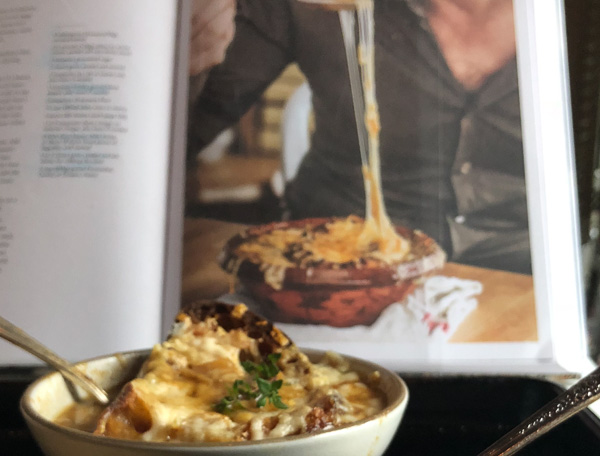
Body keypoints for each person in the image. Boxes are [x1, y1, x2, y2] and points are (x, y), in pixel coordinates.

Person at [188, 0, 531, 273]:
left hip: (524, 280)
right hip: (332, 272)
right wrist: (176, 54)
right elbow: (181, 133)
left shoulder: (579, 23)